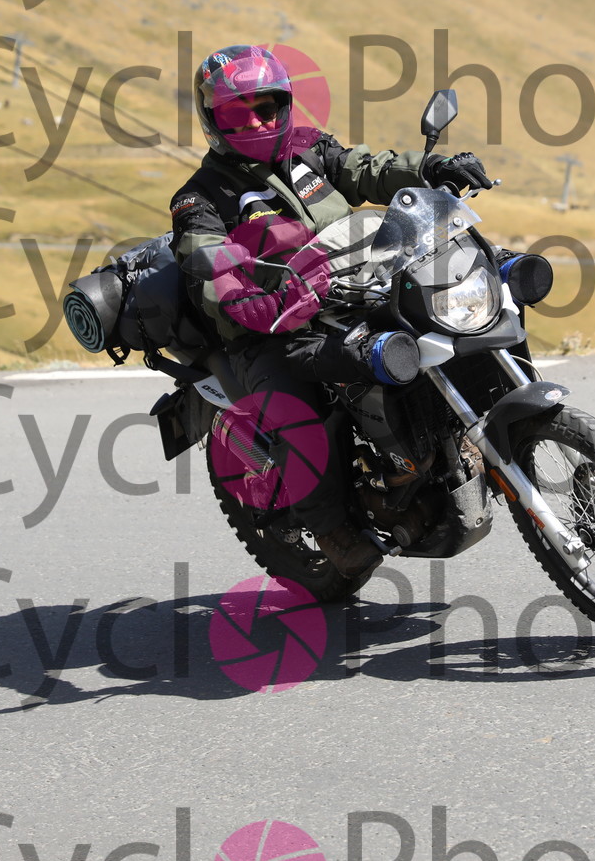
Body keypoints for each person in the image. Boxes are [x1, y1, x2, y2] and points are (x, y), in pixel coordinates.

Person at [169, 44, 492, 577]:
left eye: (265, 108)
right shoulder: (200, 197)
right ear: (212, 120)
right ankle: (331, 529)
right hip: (268, 328)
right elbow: (206, 261)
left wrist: (431, 167)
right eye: (236, 114)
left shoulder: (309, 149)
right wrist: (253, 296)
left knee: (455, 301)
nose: (255, 122)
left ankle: (450, 436)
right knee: (298, 411)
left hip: (352, 288)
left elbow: (368, 170)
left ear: (284, 106)